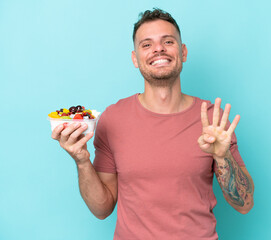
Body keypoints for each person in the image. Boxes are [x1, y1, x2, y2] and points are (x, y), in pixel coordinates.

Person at [52, 8, 254, 240]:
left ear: (183, 51)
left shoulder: (212, 120)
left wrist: (222, 156)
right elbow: (102, 209)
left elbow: (245, 204)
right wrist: (81, 161)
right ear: (135, 59)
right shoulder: (113, 118)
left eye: (168, 41)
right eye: (146, 44)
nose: (158, 48)